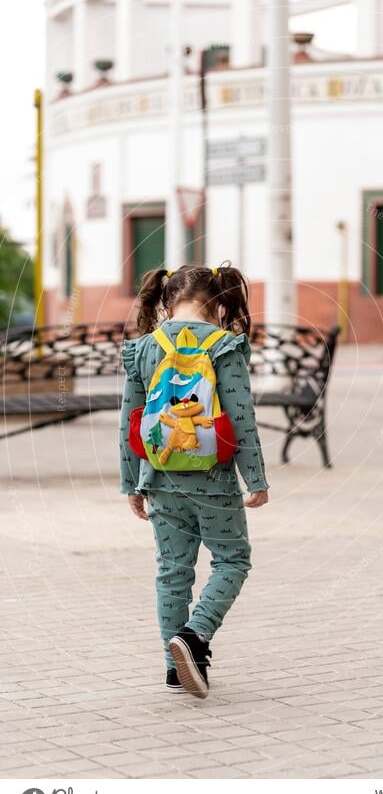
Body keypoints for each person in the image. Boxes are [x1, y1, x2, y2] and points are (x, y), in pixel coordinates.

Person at [119, 262, 269, 699]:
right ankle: (195, 635)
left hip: (161, 479)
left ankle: (174, 669)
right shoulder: (225, 345)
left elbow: (129, 420)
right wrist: (255, 478)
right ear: (219, 304)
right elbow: (241, 418)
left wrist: (131, 482)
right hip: (214, 481)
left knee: (172, 573)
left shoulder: (144, 348)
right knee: (233, 561)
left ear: (166, 302)